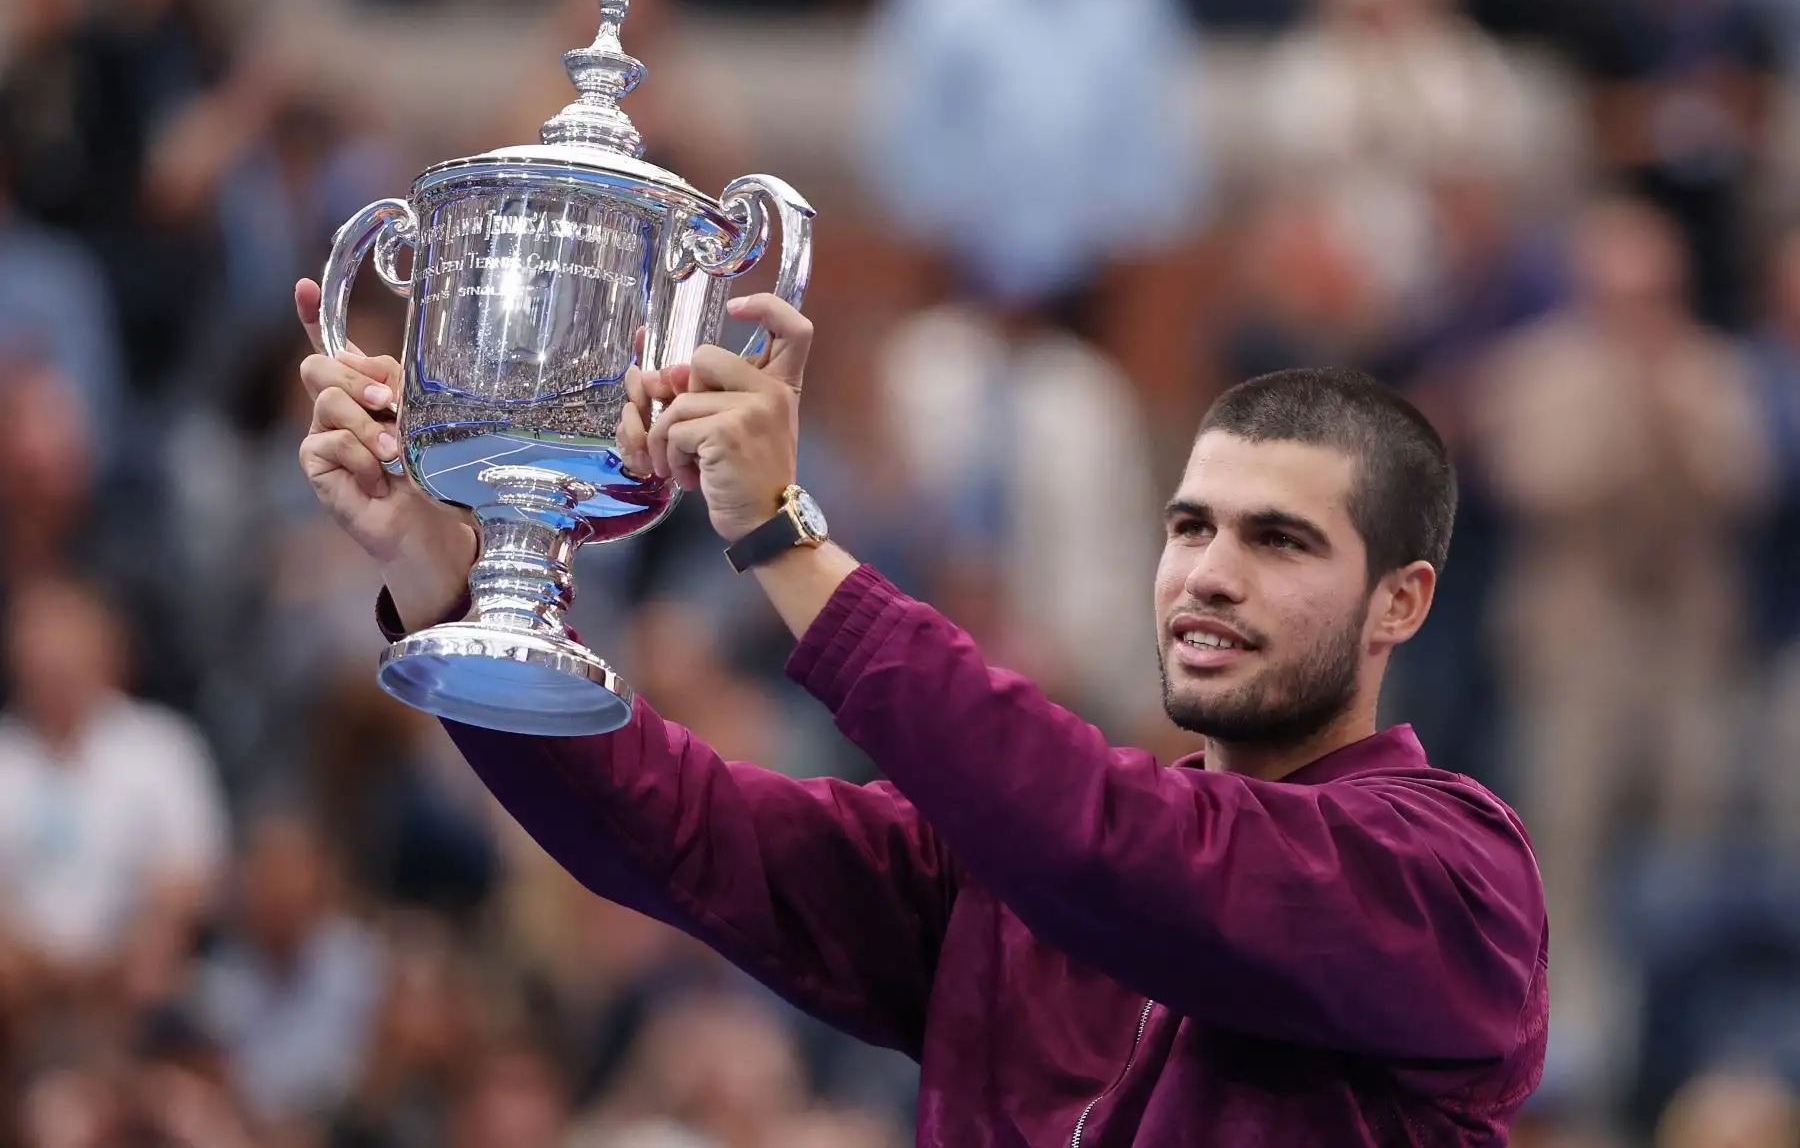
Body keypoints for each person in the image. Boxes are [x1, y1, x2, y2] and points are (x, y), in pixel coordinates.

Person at [295, 278, 1548, 1143]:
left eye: (1279, 541)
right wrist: (447, 576)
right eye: (1189, 526)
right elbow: (676, 825)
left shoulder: (1453, 877)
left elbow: (1132, 853)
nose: (1210, 572)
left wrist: (785, 537)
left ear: (1402, 602)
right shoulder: (999, 878)